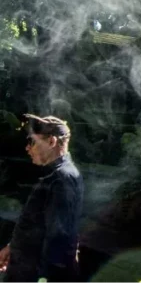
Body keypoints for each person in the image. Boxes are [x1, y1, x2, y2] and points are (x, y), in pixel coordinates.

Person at [0, 115, 83, 283]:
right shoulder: (57, 175)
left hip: (35, 275)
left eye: (33, 142)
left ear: (52, 141)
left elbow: (59, 238)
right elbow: (38, 223)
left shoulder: (61, 179)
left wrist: (44, 278)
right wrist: (12, 246)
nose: (27, 148)